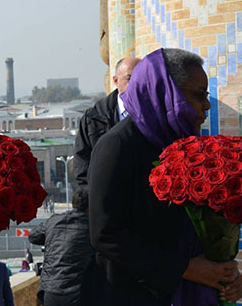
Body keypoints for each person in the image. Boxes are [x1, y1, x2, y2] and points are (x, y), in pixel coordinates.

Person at [87, 48, 242, 305]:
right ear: (165, 93)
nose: (207, 105)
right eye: (198, 95)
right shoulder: (118, 146)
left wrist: (224, 275)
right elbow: (105, 234)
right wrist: (186, 268)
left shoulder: (186, 146)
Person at [73, 57, 139, 187]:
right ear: (115, 80)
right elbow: (82, 167)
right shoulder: (93, 118)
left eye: (142, 78)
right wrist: (92, 199)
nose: (136, 84)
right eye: (129, 78)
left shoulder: (156, 115)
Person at [28, 188, 93, 306]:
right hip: (78, 292)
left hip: (50, 291)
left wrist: (51, 237)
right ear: (90, 207)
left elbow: (33, 236)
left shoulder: (54, 220)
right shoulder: (91, 226)